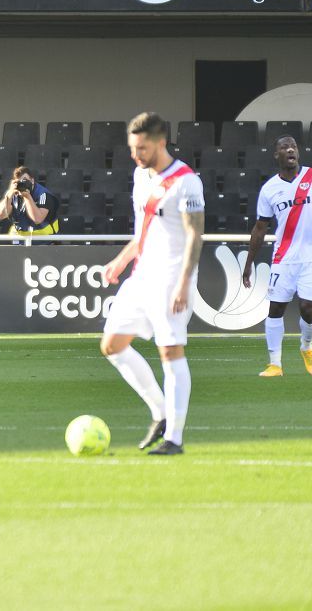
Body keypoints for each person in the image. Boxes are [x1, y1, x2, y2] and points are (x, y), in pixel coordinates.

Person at [100, 112, 204, 456]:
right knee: (112, 345)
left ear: (161, 143)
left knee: (170, 352)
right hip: (142, 276)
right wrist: (121, 259)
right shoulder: (139, 175)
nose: (135, 154)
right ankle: (160, 412)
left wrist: (183, 284)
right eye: (132, 148)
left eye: (141, 148)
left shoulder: (186, 181)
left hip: (172, 277)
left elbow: (194, 236)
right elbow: (144, 230)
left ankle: (174, 438)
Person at [242, 135, 312, 377]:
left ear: (298, 152)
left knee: (308, 308)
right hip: (283, 257)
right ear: (276, 155)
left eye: (293, 146)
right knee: (276, 309)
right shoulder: (269, 189)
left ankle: (306, 347)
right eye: (284, 147)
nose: (290, 150)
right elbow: (260, 228)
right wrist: (248, 264)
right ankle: (275, 364)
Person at [0, 166, 60, 236]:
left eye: (25, 180)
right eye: (19, 182)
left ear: (32, 180)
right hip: (19, 238)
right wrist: (9, 194)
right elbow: (1, 215)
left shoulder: (43, 195)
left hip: (43, 238)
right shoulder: (13, 193)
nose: (22, 184)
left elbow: (37, 219)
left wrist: (27, 197)